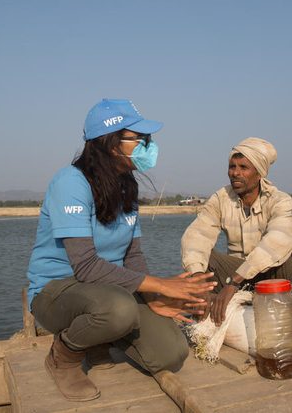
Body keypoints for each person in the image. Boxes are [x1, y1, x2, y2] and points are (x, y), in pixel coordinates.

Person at [27, 99, 216, 402]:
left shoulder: (126, 184)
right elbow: (86, 267)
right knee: (118, 309)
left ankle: (101, 338)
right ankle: (64, 355)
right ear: (110, 143)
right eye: (138, 139)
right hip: (59, 290)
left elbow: (133, 256)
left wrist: (153, 298)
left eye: (148, 139)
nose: (147, 145)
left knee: (172, 353)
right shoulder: (70, 183)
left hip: (112, 290)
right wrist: (161, 285)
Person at [181, 137, 292, 326]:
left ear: (259, 173)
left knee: (283, 254)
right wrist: (198, 281)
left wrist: (234, 282)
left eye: (243, 168)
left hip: (271, 276)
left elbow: (279, 240)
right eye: (232, 166)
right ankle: (207, 309)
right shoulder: (221, 198)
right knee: (202, 257)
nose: (235, 173)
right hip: (236, 276)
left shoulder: (279, 200)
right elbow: (197, 236)